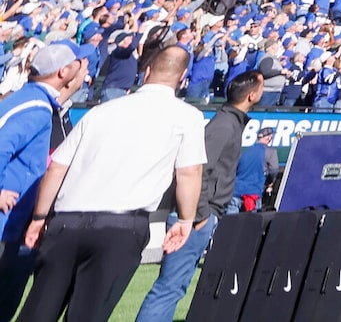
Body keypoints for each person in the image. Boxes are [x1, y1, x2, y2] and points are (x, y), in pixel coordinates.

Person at [18, 35, 206, 322]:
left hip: (67, 222)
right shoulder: (187, 116)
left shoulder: (101, 111)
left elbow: (57, 167)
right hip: (120, 228)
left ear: (146, 73)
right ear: (182, 79)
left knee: (37, 311)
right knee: (88, 314)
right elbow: (189, 171)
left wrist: (39, 217)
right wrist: (185, 220)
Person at [132, 68, 259, 322]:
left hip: (200, 215)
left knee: (175, 288)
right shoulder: (224, 125)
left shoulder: (230, 122)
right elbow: (196, 168)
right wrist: (200, 214)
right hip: (195, 218)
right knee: (169, 288)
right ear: (252, 95)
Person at [0, 42, 84, 322]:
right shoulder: (36, 107)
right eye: (78, 65)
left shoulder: (26, 98)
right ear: (63, 71)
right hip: (8, 226)